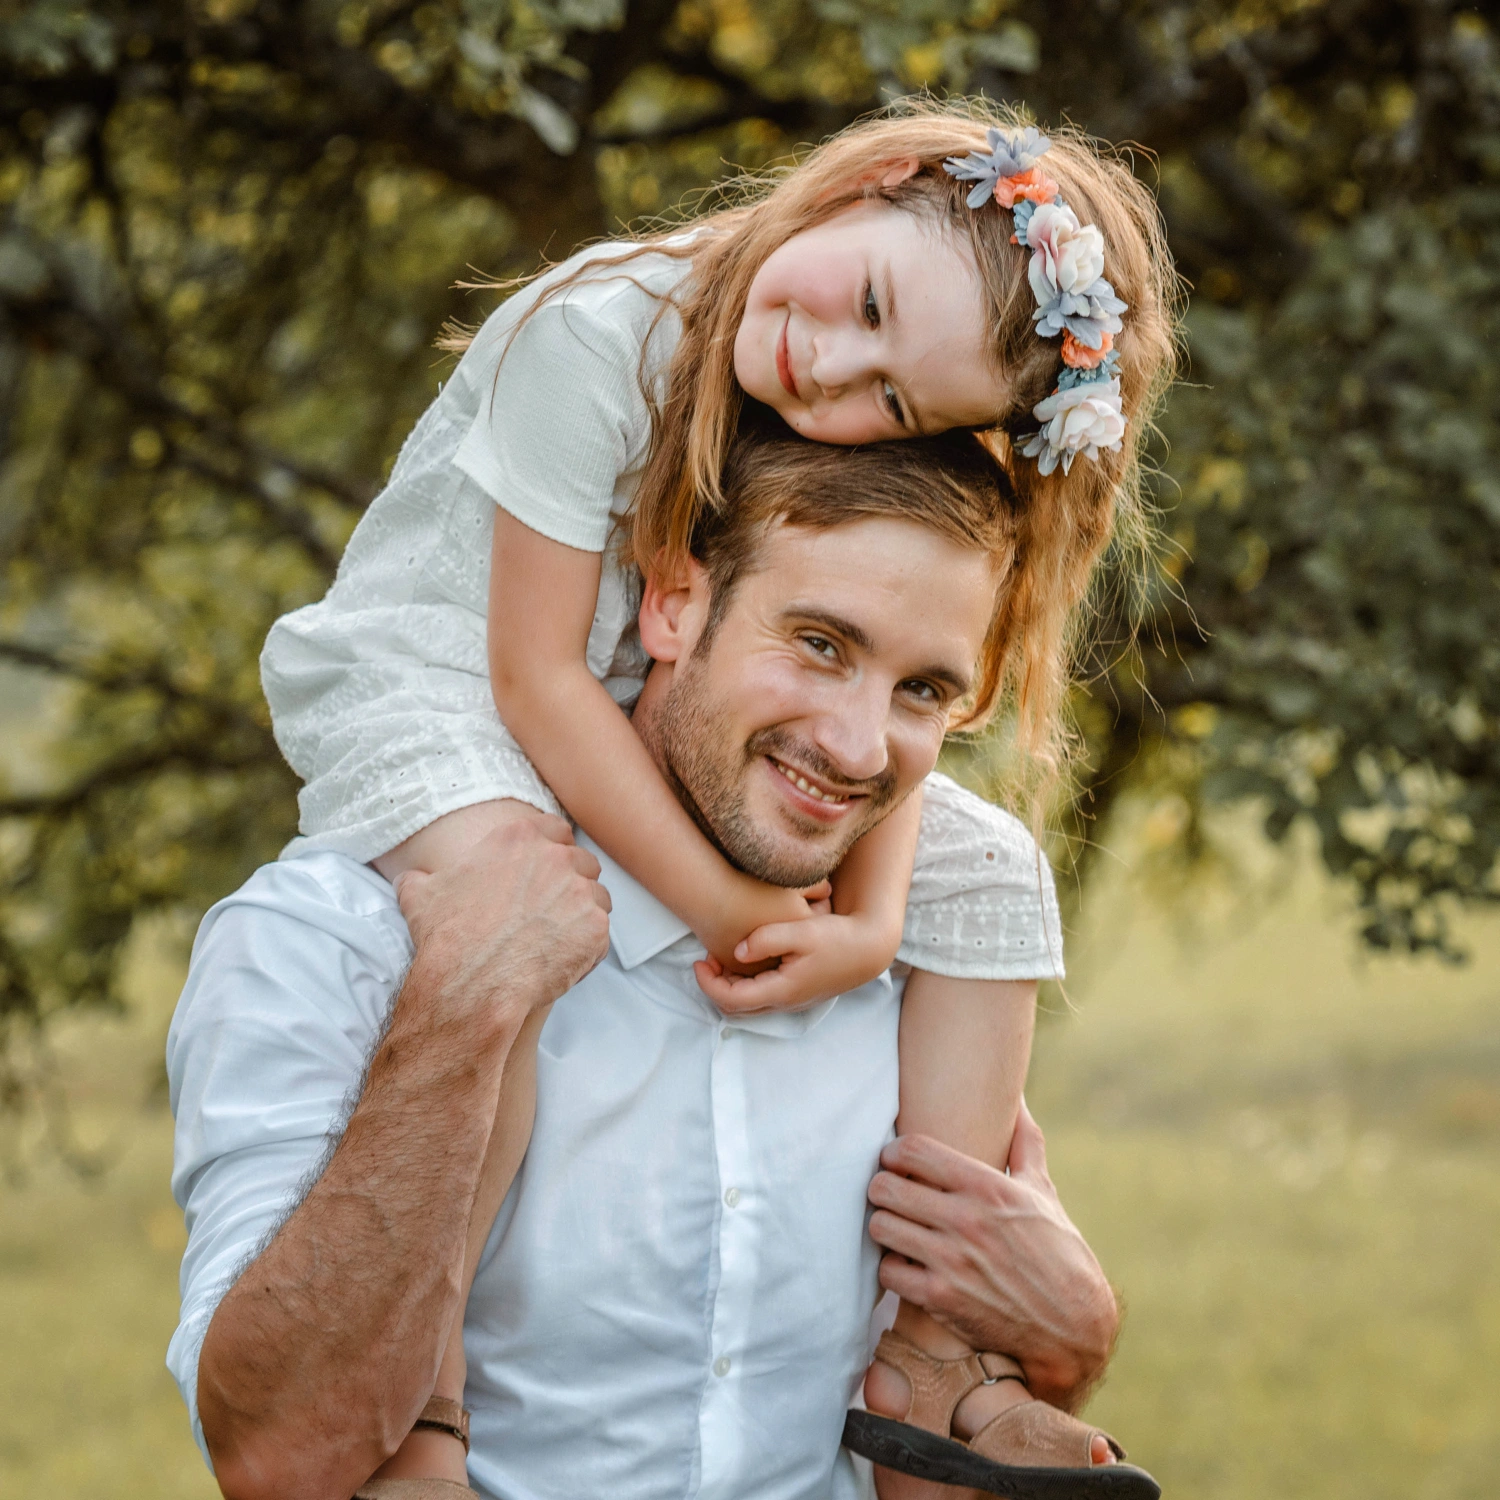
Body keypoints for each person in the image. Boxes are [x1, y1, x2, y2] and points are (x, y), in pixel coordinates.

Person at [257, 98, 1177, 1496]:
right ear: (871, 180)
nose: (833, 376)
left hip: (673, 676)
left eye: (898, 406)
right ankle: (425, 1418)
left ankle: (937, 1362)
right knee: (518, 916)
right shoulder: (600, 331)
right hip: (455, 685)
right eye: (865, 302)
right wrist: (747, 908)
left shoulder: (845, 384)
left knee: (988, 875)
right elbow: (536, 681)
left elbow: (884, 685)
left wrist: (869, 923)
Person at [171, 426, 1145, 1500]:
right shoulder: (337, 935)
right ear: (674, 601)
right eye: (820, 643)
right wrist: (461, 1011)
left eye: (921, 691)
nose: (861, 748)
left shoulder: (939, 959)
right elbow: (275, 1456)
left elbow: (940, 1435)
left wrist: (1071, 1346)